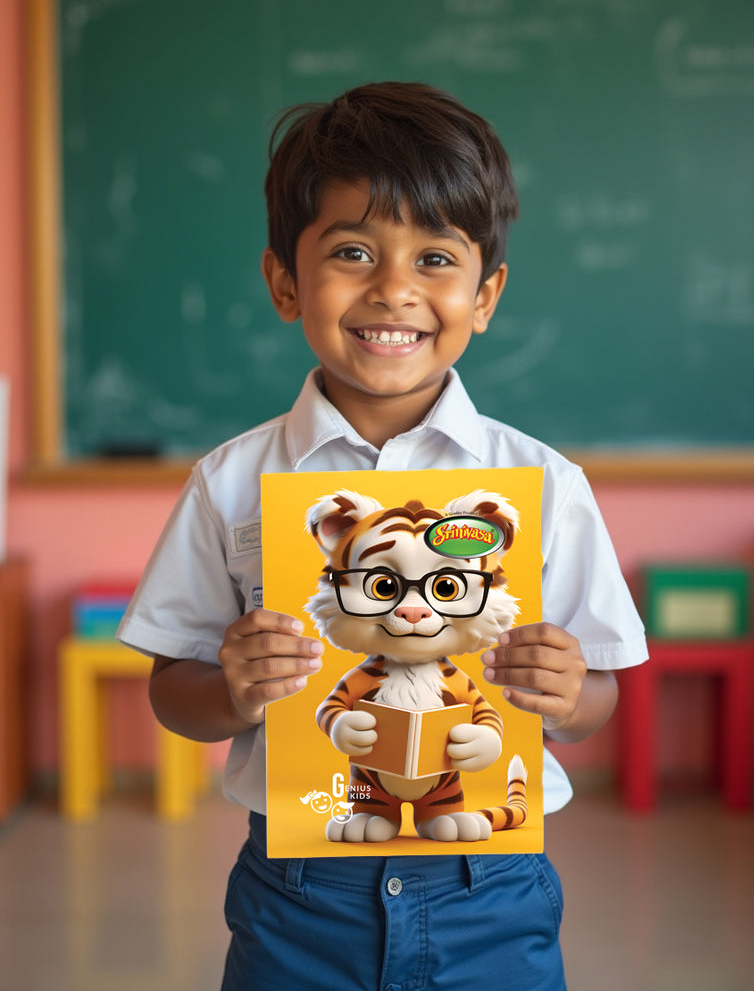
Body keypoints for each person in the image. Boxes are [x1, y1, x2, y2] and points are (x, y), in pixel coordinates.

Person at [118, 81, 647, 990]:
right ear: (287, 282)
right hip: (300, 891)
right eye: (353, 251)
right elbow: (174, 690)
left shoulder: (546, 487)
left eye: (435, 258)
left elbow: (598, 692)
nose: (394, 288)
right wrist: (236, 690)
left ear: (486, 295)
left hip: (490, 880)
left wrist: (565, 692)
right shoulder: (232, 482)